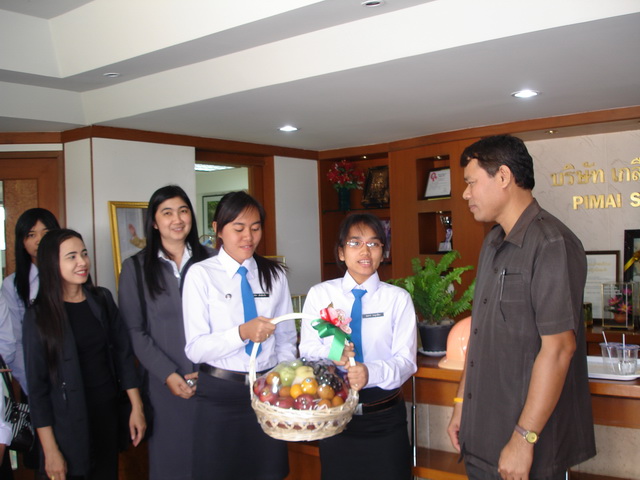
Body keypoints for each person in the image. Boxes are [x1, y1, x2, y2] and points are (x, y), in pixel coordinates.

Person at [447, 135, 596, 480]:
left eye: (471, 182)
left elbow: (559, 349)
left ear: (503, 176)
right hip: (480, 437)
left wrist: (523, 439)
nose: (466, 193)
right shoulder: (492, 242)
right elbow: (480, 334)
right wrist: (461, 404)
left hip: (527, 449)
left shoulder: (552, 243)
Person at [182, 191, 297, 480]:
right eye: (239, 228)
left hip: (267, 393)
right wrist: (241, 333)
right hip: (220, 395)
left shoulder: (274, 274)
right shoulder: (201, 274)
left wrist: (282, 379)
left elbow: (286, 338)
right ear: (218, 229)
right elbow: (195, 348)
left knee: (268, 472)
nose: (249, 237)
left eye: (255, 228)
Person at [299, 212, 417, 480]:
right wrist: (334, 354)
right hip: (335, 413)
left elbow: (407, 362)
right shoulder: (321, 294)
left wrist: (369, 373)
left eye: (374, 243)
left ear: (383, 252)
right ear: (341, 252)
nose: (365, 251)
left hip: (384, 417)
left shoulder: (397, 299)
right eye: (355, 243)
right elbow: (307, 351)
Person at [23, 229, 146, 480]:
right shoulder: (39, 316)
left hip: (106, 416)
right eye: (72, 257)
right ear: (52, 263)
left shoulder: (101, 299)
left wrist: (137, 406)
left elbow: (123, 355)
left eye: (84, 253)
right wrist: (50, 450)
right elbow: (37, 389)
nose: (82, 262)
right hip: (66, 424)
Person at [118, 185, 216, 480]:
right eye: (167, 213)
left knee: (215, 462)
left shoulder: (213, 261)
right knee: (173, 464)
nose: (177, 219)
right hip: (165, 387)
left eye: (183, 211)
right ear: (154, 221)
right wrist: (168, 374)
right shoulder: (135, 268)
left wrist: (211, 371)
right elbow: (134, 330)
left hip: (213, 380)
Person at [0, 208, 60, 393]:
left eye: (45, 233)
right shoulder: (13, 285)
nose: (39, 240)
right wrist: (34, 386)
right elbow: (15, 341)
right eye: (31, 235)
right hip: (37, 376)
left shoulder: (72, 274)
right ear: (22, 242)